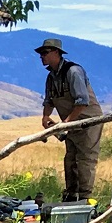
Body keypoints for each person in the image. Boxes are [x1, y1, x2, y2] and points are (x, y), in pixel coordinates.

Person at [36, 37, 103, 202]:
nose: (41, 56)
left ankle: (86, 200)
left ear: (56, 52)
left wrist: (65, 123)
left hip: (89, 122)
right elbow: (49, 101)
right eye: (40, 53)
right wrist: (46, 116)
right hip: (71, 123)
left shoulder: (73, 71)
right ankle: (71, 197)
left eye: (45, 53)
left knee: (85, 160)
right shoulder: (51, 77)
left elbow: (82, 102)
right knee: (70, 160)